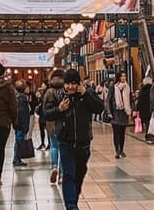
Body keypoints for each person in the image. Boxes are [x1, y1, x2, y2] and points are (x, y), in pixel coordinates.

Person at [44, 69, 104, 210]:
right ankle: (71, 206)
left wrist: (87, 94)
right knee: (69, 174)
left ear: (78, 83)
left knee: (80, 173)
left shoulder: (86, 93)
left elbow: (99, 108)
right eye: (67, 83)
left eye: (73, 83)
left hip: (83, 143)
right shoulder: (58, 95)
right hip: (66, 142)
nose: (70, 87)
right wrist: (59, 109)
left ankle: (73, 199)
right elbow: (46, 114)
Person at [43, 69, 66, 183]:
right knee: (62, 148)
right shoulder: (66, 91)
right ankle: (62, 175)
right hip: (63, 123)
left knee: (53, 146)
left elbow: (44, 110)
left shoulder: (49, 92)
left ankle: (54, 167)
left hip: (51, 123)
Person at [107, 71, 131, 158]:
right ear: (118, 77)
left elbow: (130, 99)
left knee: (122, 133)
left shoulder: (127, 87)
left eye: (124, 76)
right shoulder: (113, 87)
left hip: (124, 112)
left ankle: (122, 150)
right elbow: (108, 100)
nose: (123, 78)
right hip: (115, 112)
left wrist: (132, 110)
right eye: (122, 76)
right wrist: (109, 112)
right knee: (116, 133)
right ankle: (117, 150)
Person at [13, 79, 31, 167]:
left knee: (18, 141)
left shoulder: (16, 97)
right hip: (20, 124)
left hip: (17, 124)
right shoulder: (22, 98)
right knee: (19, 142)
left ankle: (17, 158)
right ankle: (16, 159)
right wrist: (25, 126)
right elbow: (23, 113)